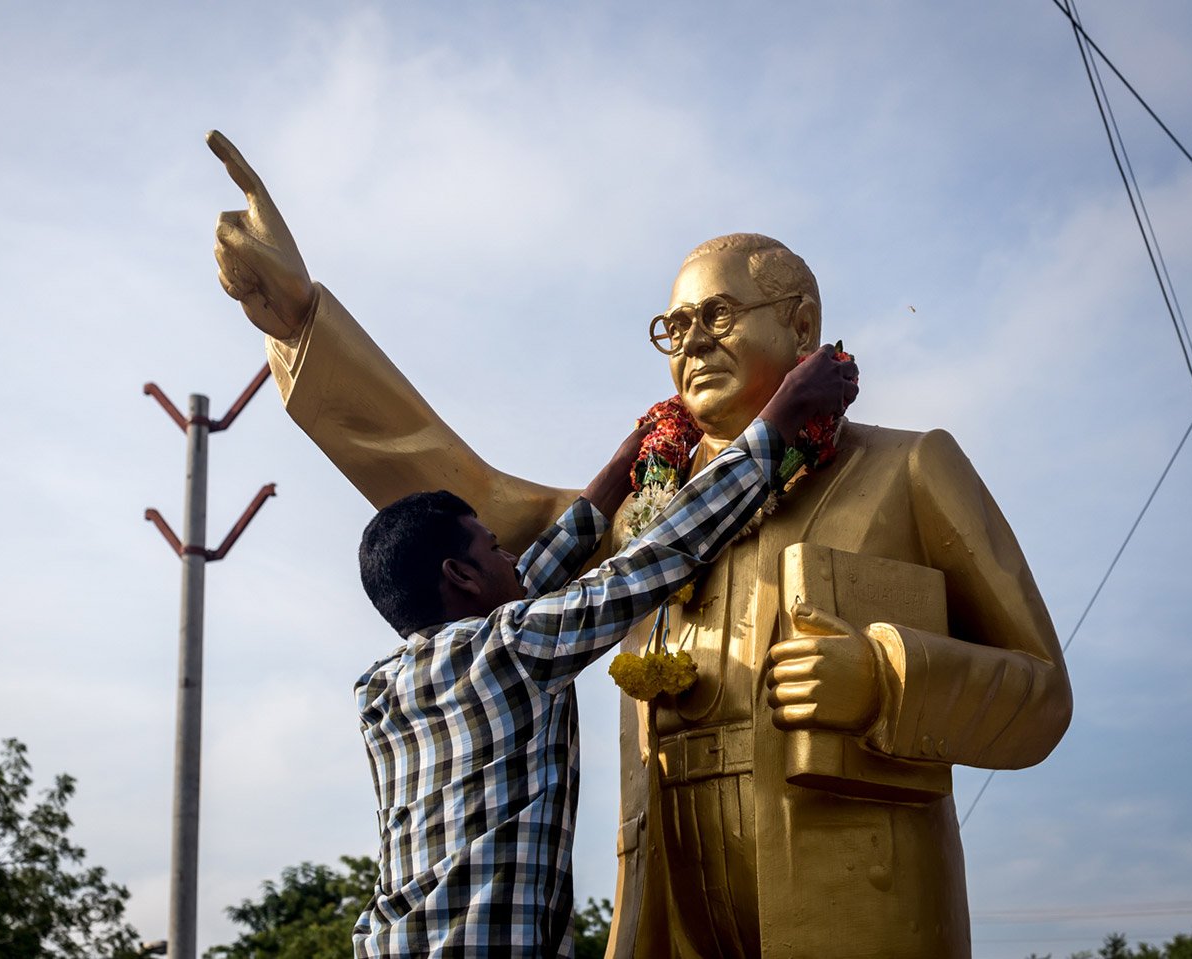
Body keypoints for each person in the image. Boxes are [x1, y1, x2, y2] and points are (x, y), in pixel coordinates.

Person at [207, 130, 1072, 959]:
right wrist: (297, 322)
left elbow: (1039, 692)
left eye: (719, 314)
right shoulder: (644, 515)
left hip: (859, 901)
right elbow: (457, 491)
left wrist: (885, 676)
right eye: (674, 326)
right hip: (671, 918)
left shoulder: (907, 467)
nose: (692, 341)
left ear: (803, 324)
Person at [349, 349, 854, 957]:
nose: (512, 557)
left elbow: (525, 587)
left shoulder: (382, 690)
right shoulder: (512, 649)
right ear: (459, 576)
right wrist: (785, 412)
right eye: (493, 548)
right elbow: (653, 560)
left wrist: (630, 460)